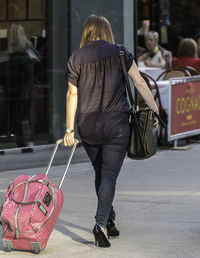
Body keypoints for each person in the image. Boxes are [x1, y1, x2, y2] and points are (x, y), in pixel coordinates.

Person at [64, 14, 159, 248]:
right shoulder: (120, 52)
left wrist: (68, 128)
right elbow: (139, 82)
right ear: (106, 31)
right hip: (117, 125)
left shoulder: (76, 57)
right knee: (108, 175)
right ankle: (100, 225)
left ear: (86, 32)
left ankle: (110, 219)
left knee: (101, 173)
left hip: (88, 127)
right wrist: (155, 109)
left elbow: (72, 95)